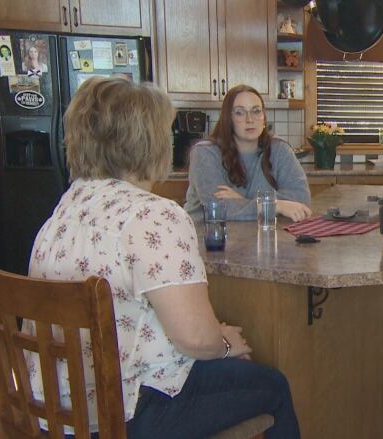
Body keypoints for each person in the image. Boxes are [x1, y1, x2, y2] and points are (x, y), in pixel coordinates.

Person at [26, 77, 301, 439]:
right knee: (274, 386)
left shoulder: (65, 208)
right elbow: (196, 341)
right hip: (126, 411)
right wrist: (224, 343)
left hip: (57, 408)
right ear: (152, 142)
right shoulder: (155, 216)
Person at [185, 84, 312, 222]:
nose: (250, 119)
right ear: (228, 119)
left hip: (260, 236)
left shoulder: (279, 149)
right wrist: (275, 206)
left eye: (256, 111)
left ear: (264, 116)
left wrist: (243, 201)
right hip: (209, 237)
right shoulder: (205, 153)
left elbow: (301, 199)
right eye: (240, 112)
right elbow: (218, 207)